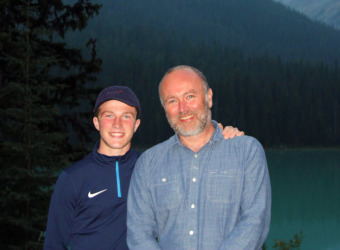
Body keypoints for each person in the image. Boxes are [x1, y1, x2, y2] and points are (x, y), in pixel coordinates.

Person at [43, 85, 243, 250]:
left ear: (136, 124)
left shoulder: (152, 168)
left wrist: (225, 138)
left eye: (127, 116)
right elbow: (54, 244)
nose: (118, 124)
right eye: (109, 115)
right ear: (96, 122)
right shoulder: (73, 178)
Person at [127, 65, 271, 250]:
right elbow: (139, 233)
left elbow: (255, 222)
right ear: (164, 108)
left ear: (209, 97)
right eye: (172, 101)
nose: (183, 109)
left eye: (190, 96)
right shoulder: (148, 163)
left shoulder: (247, 152)